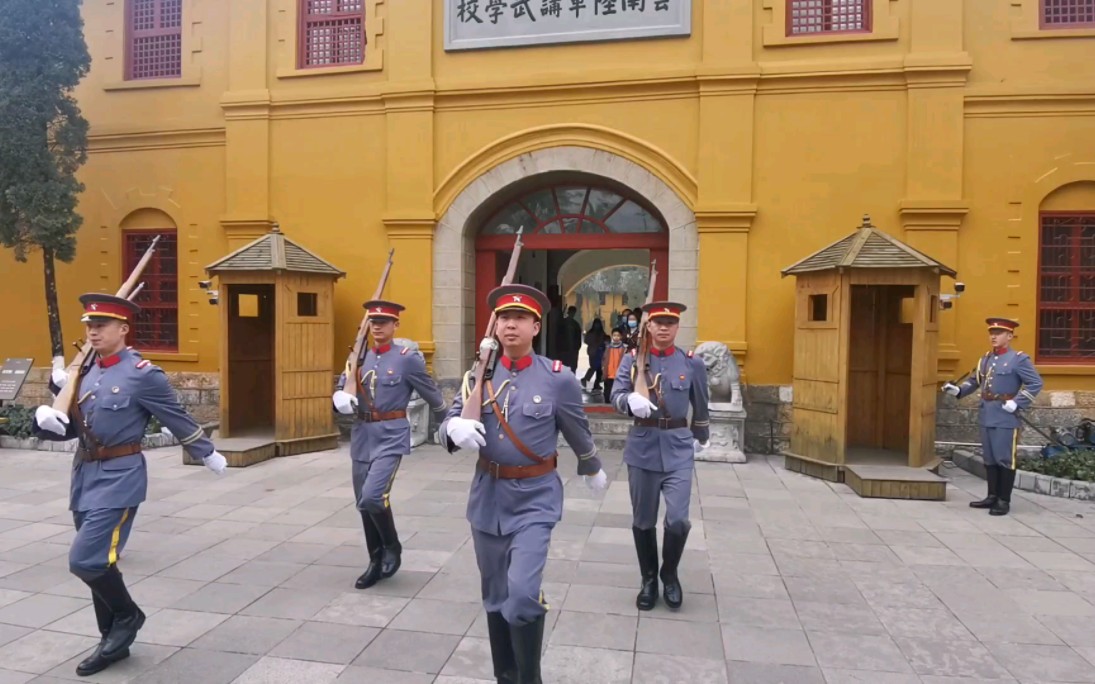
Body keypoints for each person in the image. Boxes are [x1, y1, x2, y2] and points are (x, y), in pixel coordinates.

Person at [33, 293, 226, 677]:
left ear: (123, 329)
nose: (93, 331)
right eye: (89, 325)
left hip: (120, 477)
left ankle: (128, 617)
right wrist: (49, 421)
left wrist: (205, 452)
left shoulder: (142, 373)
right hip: (84, 475)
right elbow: (74, 428)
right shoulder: (85, 372)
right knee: (101, 561)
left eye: (101, 325)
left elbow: (175, 415)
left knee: (85, 560)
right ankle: (111, 639)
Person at [440, 284, 608, 684]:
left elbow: (576, 428)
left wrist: (591, 465)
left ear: (536, 326)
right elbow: (444, 427)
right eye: (503, 318)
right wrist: (453, 428)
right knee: (495, 598)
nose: (510, 324)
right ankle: (507, 677)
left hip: (535, 499)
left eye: (519, 318)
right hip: (487, 498)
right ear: (495, 326)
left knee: (521, 595)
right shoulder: (478, 375)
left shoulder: (557, 378)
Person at [332, 300, 447, 589]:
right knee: (363, 504)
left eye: (384, 321)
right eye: (373, 322)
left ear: (396, 325)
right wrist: (339, 401)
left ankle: (392, 546)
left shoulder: (407, 358)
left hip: (391, 436)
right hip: (362, 435)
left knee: (373, 496)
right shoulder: (358, 357)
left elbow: (432, 395)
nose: (378, 326)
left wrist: (449, 425)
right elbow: (343, 392)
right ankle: (375, 559)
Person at [611, 301, 710, 612]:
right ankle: (649, 578)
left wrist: (701, 436)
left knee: (678, 520)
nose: (664, 327)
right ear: (649, 327)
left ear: (677, 327)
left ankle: (670, 574)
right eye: (658, 322)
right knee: (643, 520)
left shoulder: (691, 363)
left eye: (671, 322)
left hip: (679, 446)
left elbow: (701, 403)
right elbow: (613, 396)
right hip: (642, 447)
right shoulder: (633, 360)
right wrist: (629, 401)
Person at [943, 317, 1043, 516]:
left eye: (998, 333)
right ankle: (992, 496)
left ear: (1010, 336)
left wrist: (1017, 402)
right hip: (987, 414)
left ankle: (1003, 500)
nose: (993, 337)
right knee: (990, 458)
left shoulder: (1019, 359)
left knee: (1004, 459)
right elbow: (974, 382)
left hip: (1006, 416)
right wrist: (958, 390)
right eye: (991, 333)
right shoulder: (986, 359)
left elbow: (1035, 383)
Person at [581, 318, 607, 393]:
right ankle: (587, 379)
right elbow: (586, 341)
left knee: (598, 369)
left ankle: (596, 384)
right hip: (593, 353)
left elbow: (605, 341)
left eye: (598, 324)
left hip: (600, 353)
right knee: (594, 367)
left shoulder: (602, 333)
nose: (597, 325)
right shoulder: (590, 333)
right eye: (596, 324)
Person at [602, 328, 627, 405]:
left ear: (621, 337)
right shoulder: (608, 347)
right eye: (614, 335)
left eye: (618, 335)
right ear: (612, 336)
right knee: (607, 392)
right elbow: (604, 360)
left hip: (619, 374)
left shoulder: (624, 348)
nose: (616, 337)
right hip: (609, 374)